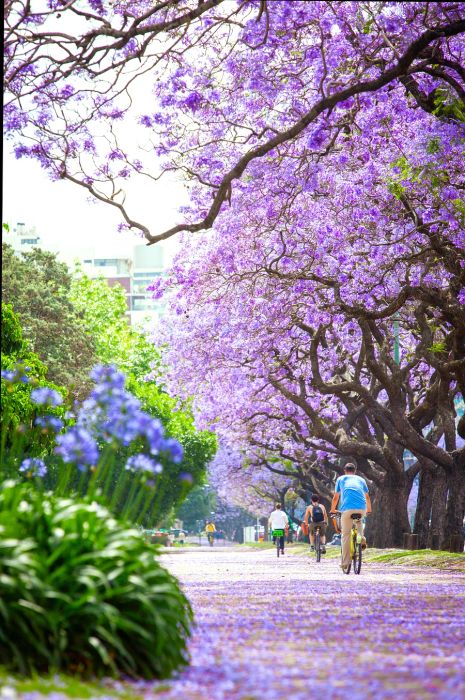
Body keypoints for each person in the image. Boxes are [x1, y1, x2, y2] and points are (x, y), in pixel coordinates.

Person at [330, 463, 372, 573]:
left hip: (347, 509)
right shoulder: (361, 479)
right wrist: (369, 509)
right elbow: (367, 496)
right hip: (361, 508)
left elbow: (336, 497)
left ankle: (345, 563)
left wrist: (333, 509)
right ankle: (362, 538)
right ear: (355, 470)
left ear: (345, 470)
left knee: (346, 534)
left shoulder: (341, 479)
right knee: (359, 522)